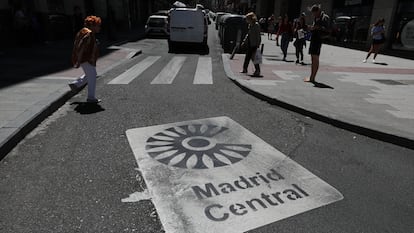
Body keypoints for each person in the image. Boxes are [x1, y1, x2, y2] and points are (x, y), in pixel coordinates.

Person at [69, 15, 102, 103]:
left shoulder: (82, 31)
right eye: (98, 25)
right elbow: (82, 47)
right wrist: (78, 60)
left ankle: (76, 84)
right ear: (92, 25)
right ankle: (91, 97)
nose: (99, 27)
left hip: (85, 59)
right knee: (92, 76)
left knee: (91, 75)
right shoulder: (89, 33)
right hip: (86, 59)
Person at [304, 4, 330, 83]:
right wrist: (311, 28)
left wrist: (316, 27)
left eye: (314, 13)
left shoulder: (324, 17)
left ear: (318, 11)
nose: (313, 15)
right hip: (314, 39)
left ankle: (312, 78)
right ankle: (312, 77)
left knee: (315, 58)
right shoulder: (317, 17)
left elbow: (327, 29)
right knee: (313, 58)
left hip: (318, 40)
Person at [240, 12, 261, 77]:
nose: (246, 20)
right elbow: (248, 35)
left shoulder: (256, 25)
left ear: (251, 19)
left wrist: (258, 44)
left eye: (247, 19)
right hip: (249, 44)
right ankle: (245, 69)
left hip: (254, 44)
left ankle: (257, 71)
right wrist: (244, 42)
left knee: (254, 58)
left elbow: (258, 36)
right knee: (247, 57)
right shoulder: (250, 25)